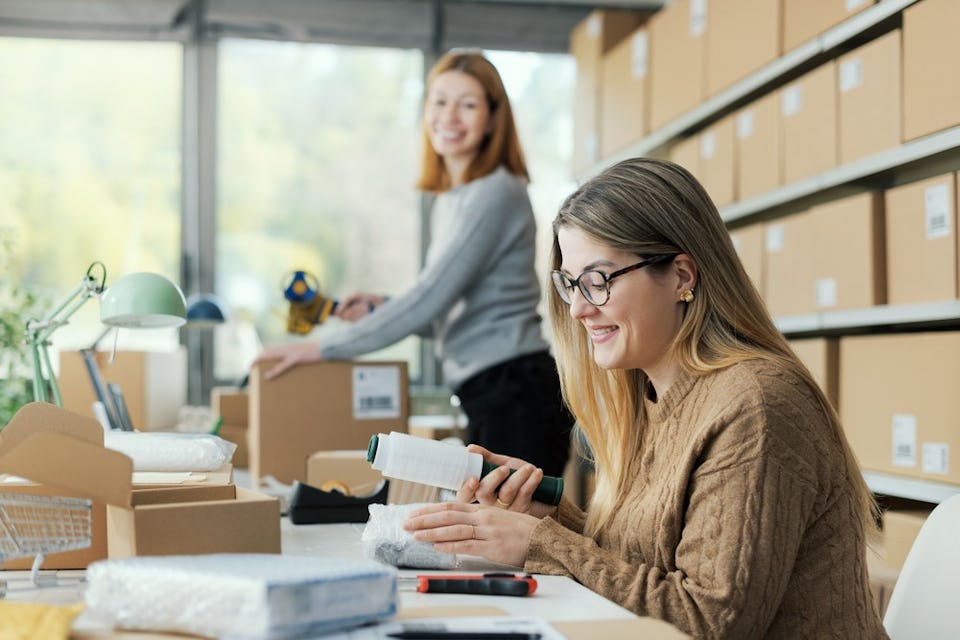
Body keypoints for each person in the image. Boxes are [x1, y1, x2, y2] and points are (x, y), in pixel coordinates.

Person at [403, 157, 888, 639]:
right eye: (570, 283)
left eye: (597, 280)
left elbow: (708, 624)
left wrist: (542, 544)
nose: (577, 309)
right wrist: (549, 516)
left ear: (681, 276)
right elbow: (643, 566)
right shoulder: (650, 395)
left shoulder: (754, 405)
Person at [254, 50, 572, 477]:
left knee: (514, 538)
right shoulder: (450, 200)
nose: (449, 116)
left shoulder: (496, 191)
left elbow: (430, 296)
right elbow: (445, 308)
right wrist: (380, 305)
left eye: (468, 104)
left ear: (494, 119)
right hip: (489, 390)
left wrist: (321, 350)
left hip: (516, 392)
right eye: (439, 102)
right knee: (488, 534)